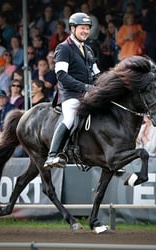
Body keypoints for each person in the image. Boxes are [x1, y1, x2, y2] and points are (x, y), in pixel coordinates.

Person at [43, 12, 100, 169]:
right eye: (82, 28)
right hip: (71, 95)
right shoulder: (63, 48)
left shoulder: (88, 49)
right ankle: (52, 155)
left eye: (88, 28)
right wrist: (84, 87)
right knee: (69, 119)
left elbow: (97, 74)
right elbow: (61, 75)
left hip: (89, 93)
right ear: (73, 28)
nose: (86, 31)